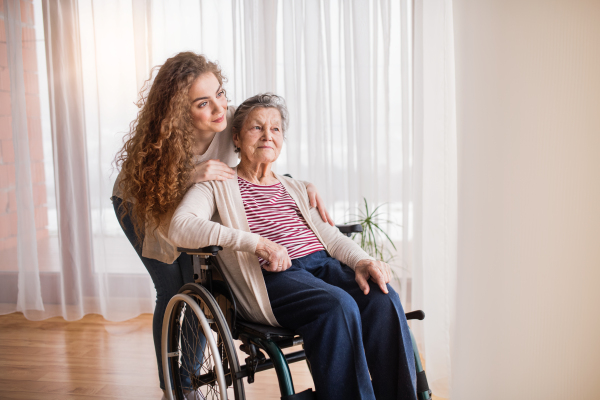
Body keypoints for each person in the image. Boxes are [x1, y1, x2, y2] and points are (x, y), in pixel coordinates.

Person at [169, 93, 417, 400]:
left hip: (321, 265)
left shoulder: (295, 187)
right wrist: (256, 243)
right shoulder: (217, 182)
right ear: (235, 136)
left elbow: (331, 236)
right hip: (271, 277)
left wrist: (363, 261)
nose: (267, 135)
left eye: (275, 129)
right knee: (337, 306)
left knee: (382, 297)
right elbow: (180, 226)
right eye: (256, 128)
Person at [112, 52, 332, 397]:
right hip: (142, 203)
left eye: (220, 93)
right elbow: (152, 189)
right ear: (179, 111)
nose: (218, 109)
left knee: (204, 286)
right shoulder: (163, 138)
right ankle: (175, 386)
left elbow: (257, 158)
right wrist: (191, 174)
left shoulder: (229, 121)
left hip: (188, 204)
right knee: (172, 290)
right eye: (203, 103)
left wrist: (298, 184)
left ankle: (189, 373)